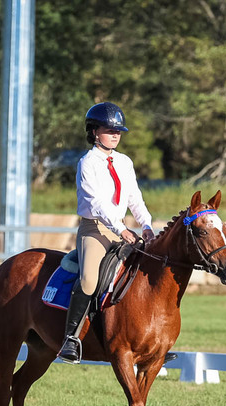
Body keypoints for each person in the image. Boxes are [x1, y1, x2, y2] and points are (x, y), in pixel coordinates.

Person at [57, 102, 156, 363]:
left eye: (118, 131)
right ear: (93, 131)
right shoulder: (87, 163)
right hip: (95, 229)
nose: (115, 135)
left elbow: (135, 197)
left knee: (145, 273)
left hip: (122, 228)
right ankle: (71, 338)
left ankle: (148, 342)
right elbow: (98, 204)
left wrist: (146, 225)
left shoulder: (124, 162)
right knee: (89, 279)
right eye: (109, 130)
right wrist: (122, 228)